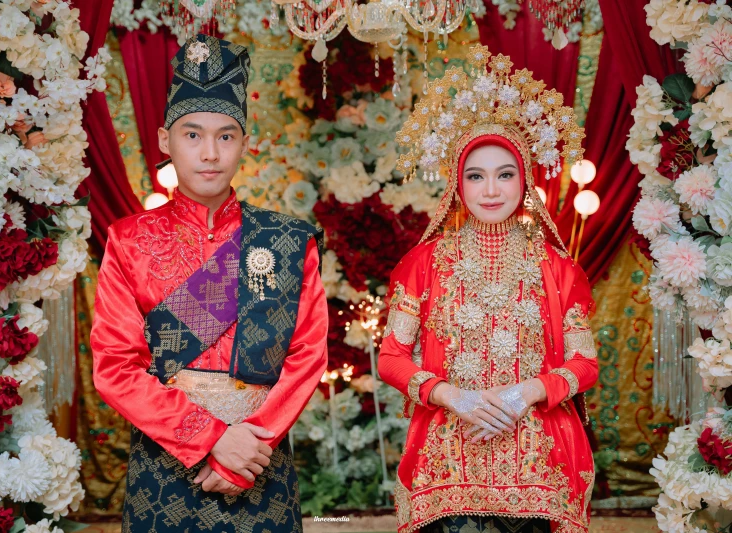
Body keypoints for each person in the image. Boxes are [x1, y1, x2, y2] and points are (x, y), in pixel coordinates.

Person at [90, 34, 328, 532]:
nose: (210, 153)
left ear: (245, 142)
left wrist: (250, 446)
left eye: (225, 136)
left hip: (259, 457)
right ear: (165, 140)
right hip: (166, 463)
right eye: (192, 135)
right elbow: (115, 367)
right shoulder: (128, 241)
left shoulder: (287, 240)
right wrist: (212, 438)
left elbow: (307, 355)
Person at [379, 47, 597, 533]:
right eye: (476, 176)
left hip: (541, 458)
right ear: (457, 183)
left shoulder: (559, 268)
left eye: (505, 174)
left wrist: (526, 393)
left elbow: (585, 363)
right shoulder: (423, 263)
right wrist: (453, 397)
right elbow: (391, 358)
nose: (491, 190)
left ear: (526, 179)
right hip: (448, 458)